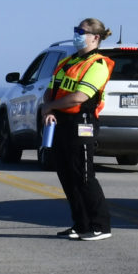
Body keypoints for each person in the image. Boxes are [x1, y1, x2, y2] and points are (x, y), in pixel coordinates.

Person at [45, 17, 116, 242]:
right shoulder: (68, 61)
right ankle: (80, 223)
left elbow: (80, 96)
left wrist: (49, 106)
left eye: (81, 32)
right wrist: (48, 109)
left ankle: (100, 225)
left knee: (84, 176)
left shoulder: (97, 64)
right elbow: (51, 89)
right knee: (66, 175)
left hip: (81, 123)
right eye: (76, 30)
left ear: (95, 37)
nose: (77, 34)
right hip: (61, 123)